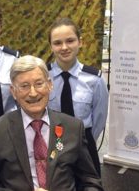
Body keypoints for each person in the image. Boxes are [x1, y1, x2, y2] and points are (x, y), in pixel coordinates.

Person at [0, 55, 103, 191]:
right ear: (13, 92)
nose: (33, 93)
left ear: (50, 85)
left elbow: (90, 182)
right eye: (24, 86)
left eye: (39, 84)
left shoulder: (73, 127)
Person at [46, 17, 109, 175]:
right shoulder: (43, 77)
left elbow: (99, 118)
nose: (64, 47)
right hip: (52, 143)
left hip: (84, 144)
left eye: (70, 41)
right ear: (51, 46)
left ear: (80, 42)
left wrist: (84, 142)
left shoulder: (95, 79)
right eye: (58, 43)